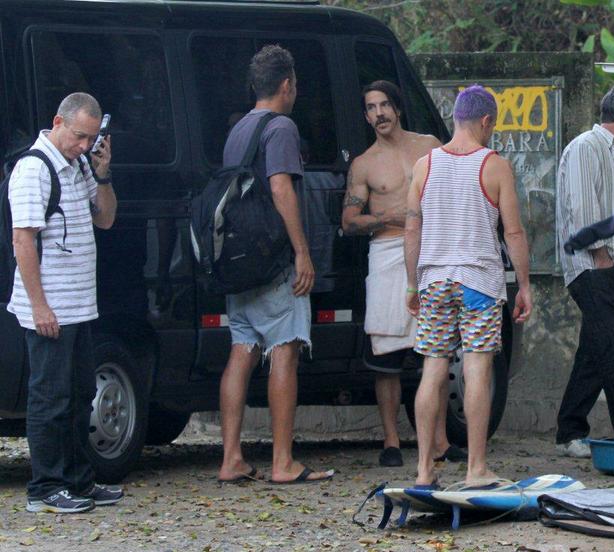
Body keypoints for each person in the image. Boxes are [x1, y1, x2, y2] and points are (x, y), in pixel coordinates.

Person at [404, 85, 533, 486]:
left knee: (433, 369)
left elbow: (412, 228)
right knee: (477, 368)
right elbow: (513, 232)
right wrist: (525, 285)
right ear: (485, 121)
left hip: (434, 281)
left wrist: (412, 285)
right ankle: (476, 468)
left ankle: (424, 470)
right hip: (478, 282)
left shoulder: (424, 165)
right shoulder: (494, 165)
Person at [216, 45, 332, 484]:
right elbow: (281, 188)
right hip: (273, 263)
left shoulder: (239, 129)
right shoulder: (280, 126)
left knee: (241, 351)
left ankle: (231, 458)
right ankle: (283, 462)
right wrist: (303, 251)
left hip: (239, 261)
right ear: (287, 85)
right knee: (284, 350)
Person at [342, 80, 466, 467]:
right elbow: (348, 220)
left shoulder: (429, 146)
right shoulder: (363, 164)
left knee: (437, 348)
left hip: (431, 250)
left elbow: (454, 190)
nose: (378, 113)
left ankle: (441, 442)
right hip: (387, 251)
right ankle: (391, 440)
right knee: (387, 352)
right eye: (370, 108)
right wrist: (388, 217)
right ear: (366, 116)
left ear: (397, 108)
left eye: (383, 105)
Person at [9, 92, 120, 513]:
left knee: (78, 395)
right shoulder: (33, 169)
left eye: (91, 139)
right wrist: (39, 306)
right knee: (50, 398)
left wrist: (103, 173)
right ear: (57, 122)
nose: (84, 146)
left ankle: (78, 480)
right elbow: (24, 240)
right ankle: (45, 487)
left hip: (79, 305)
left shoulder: (77, 165)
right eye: (78, 137)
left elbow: (105, 219)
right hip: (50, 306)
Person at [554, 85, 614, 458]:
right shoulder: (586, 148)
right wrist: (598, 255)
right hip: (591, 264)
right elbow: (581, 208)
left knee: (598, 348)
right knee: (612, 346)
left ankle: (569, 429)